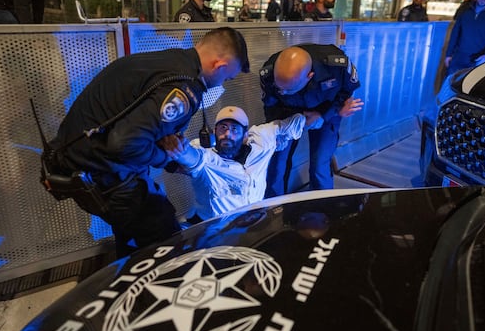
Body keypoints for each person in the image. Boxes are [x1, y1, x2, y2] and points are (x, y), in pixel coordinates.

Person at [43, 27, 250, 257]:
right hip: (102, 172)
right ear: (219, 66)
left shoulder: (167, 61)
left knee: (132, 236)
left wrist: (170, 163)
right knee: (165, 242)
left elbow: (137, 127)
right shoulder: (184, 88)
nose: (222, 84)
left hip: (78, 161)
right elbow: (124, 144)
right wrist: (164, 157)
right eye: (227, 77)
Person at [161, 106, 316, 222]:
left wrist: (317, 117)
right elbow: (192, 158)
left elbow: (294, 123)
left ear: (245, 135)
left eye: (234, 129)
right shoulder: (206, 156)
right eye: (223, 128)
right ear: (214, 132)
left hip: (252, 221)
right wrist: (180, 151)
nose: (227, 134)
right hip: (211, 229)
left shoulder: (261, 140)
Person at [260, 44, 363, 197]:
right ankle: (275, 208)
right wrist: (276, 131)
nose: (283, 92)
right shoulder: (268, 72)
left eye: (289, 89)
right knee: (277, 165)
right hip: (286, 114)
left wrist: (326, 114)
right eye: (280, 87)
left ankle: (321, 208)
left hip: (326, 110)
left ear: (310, 76)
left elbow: (346, 91)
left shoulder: (335, 65)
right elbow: (271, 106)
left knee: (320, 164)